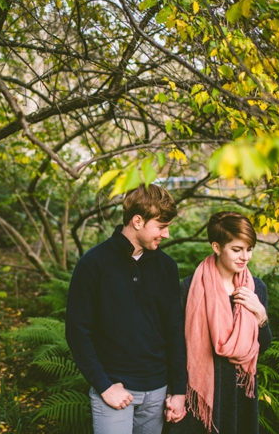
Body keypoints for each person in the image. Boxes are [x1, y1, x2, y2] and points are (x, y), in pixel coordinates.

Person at [66, 184, 188, 434]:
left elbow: (175, 331)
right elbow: (77, 331)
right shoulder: (93, 264)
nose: (165, 235)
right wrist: (104, 385)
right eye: (161, 227)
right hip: (114, 390)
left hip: (157, 391)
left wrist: (179, 390)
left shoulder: (167, 267)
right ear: (137, 221)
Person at [167, 211, 272, 434]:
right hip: (200, 390)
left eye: (249, 249)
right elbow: (175, 346)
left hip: (239, 393)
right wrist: (174, 391)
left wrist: (261, 314)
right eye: (237, 249)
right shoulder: (190, 288)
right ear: (217, 247)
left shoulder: (256, 289)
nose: (245, 257)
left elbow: (263, 346)